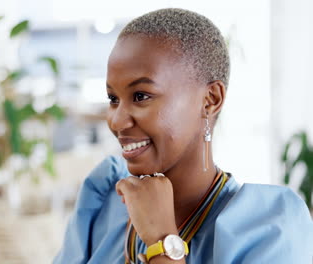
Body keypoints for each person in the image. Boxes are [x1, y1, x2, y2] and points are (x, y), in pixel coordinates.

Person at [52, 8, 313, 264]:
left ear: (211, 100)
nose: (117, 120)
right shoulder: (105, 200)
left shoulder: (270, 231)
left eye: (141, 96)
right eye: (113, 99)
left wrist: (161, 241)